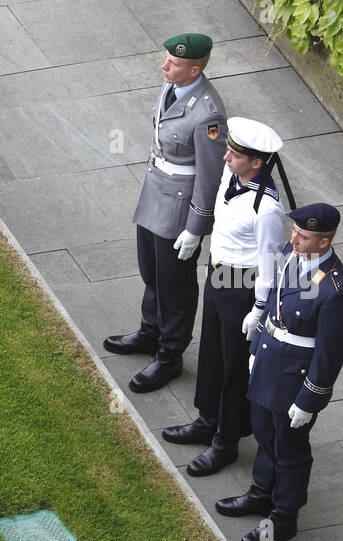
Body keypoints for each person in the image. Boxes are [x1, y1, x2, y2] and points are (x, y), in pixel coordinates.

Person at [216, 203, 343, 541]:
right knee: (264, 434)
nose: (294, 239)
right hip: (269, 362)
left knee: (289, 449)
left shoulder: (334, 290)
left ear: (324, 243)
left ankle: (283, 517)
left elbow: (329, 352)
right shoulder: (288, 255)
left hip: (295, 377)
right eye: (294, 232)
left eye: (303, 236)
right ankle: (261, 493)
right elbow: (275, 303)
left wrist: (310, 398)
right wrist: (255, 350)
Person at [163, 117, 290, 476]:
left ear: (256, 163)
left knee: (235, 365)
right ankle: (207, 418)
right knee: (212, 353)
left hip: (243, 286)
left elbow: (269, 262)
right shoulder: (230, 179)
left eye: (234, 154)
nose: (225, 158)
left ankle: (226, 440)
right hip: (219, 274)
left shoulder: (266, 210)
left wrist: (260, 309)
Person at [104, 32, 228, 393]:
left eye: (172, 63)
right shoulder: (175, 88)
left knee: (175, 285)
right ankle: (149, 332)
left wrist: (196, 226)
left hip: (177, 207)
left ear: (194, 69)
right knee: (151, 270)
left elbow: (210, 175)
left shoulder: (208, 113)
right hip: (156, 191)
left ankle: (170, 355)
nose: (164, 66)